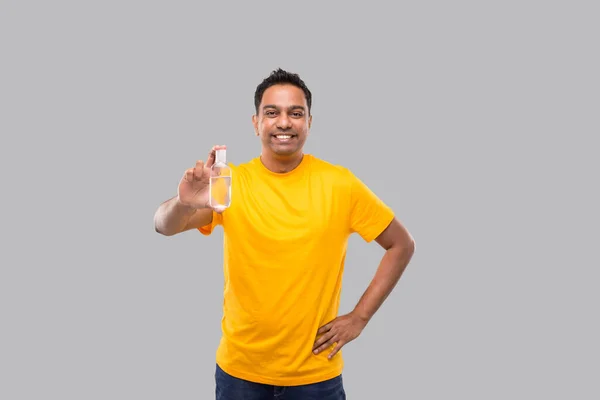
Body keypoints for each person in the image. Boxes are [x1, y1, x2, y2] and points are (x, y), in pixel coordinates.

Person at [153, 68, 415, 399]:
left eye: (296, 113)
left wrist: (360, 317)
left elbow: (401, 245)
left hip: (315, 376)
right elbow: (163, 225)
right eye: (272, 112)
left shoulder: (340, 184)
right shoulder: (229, 184)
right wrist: (183, 202)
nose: (284, 122)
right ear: (255, 122)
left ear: (309, 121)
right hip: (240, 374)